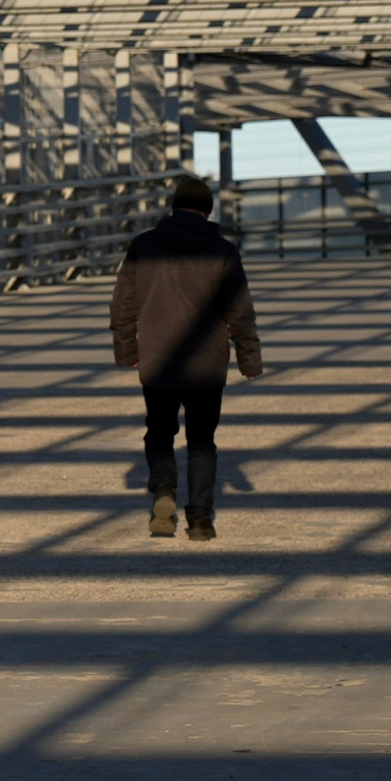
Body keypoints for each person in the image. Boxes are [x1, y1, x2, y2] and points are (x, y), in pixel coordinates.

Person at [109, 175, 263, 541]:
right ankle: (199, 519)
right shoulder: (223, 251)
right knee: (202, 441)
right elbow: (240, 311)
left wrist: (128, 351)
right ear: (207, 212)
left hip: (158, 359)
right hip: (207, 364)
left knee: (160, 432)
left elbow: (122, 306)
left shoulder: (143, 246)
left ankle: (163, 491)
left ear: (174, 207)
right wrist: (249, 359)